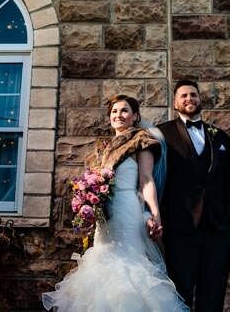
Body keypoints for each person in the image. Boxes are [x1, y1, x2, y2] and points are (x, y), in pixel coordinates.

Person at [42, 95, 187, 312]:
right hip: (105, 218)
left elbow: (146, 180)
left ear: (135, 116)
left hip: (127, 209)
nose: (118, 115)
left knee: (128, 263)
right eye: (114, 111)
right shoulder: (103, 150)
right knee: (103, 262)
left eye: (124, 110)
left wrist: (155, 214)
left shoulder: (141, 141)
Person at [157, 79, 230, 312]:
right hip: (180, 227)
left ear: (200, 99)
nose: (189, 99)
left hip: (219, 227)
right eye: (183, 95)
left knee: (214, 291)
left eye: (193, 94)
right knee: (180, 291)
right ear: (175, 102)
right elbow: (152, 178)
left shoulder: (220, 137)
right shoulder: (162, 134)